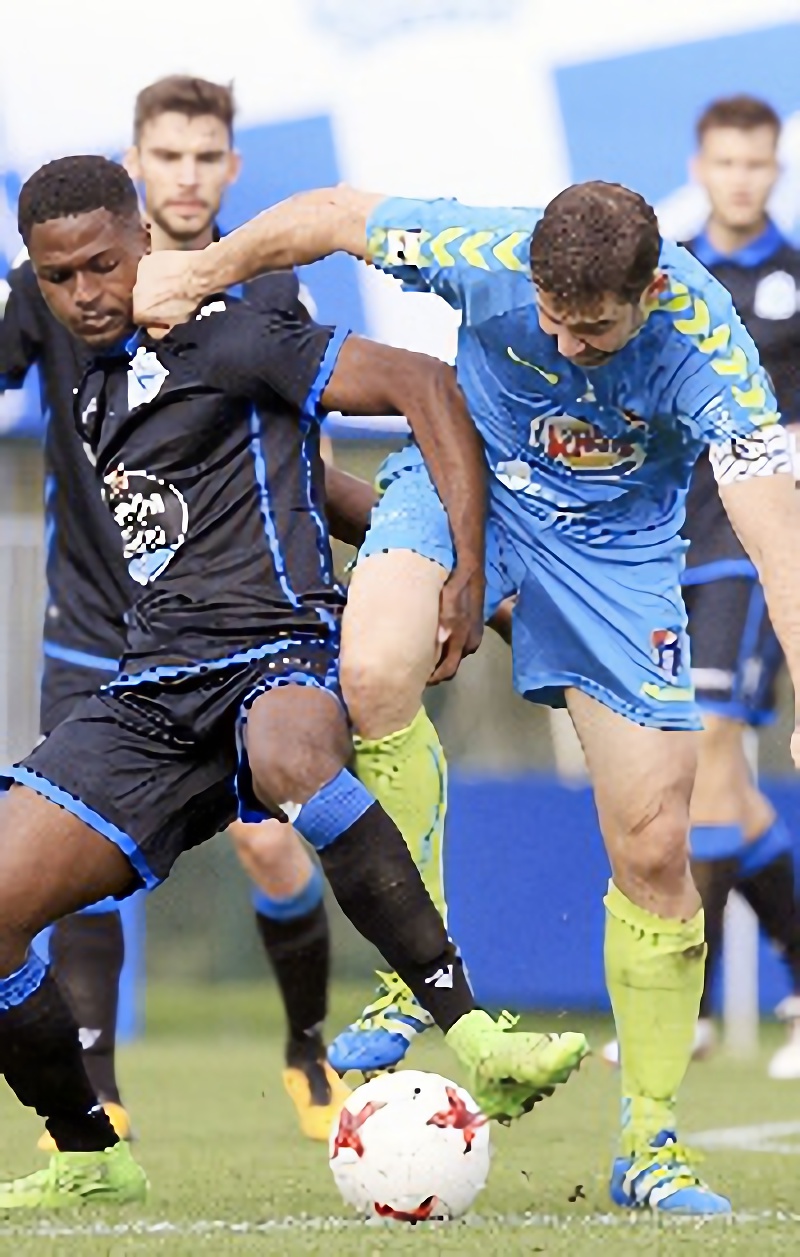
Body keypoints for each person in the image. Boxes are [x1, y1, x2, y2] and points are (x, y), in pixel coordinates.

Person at [133, 177, 800, 1215]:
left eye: (594, 331)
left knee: (655, 841)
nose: (567, 344)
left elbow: (772, 526)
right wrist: (201, 270)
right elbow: (332, 215)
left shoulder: (708, 340)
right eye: (551, 320)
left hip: (617, 557)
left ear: (652, 292)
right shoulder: (484, 250)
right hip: (465, 489)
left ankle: (649, 1144)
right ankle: (416, 972)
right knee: (370, 668)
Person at [0, 155, 589, 1210]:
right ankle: (89, 1154)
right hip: (153, 689)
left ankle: (474, 1033)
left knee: (290, 757)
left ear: (145, 242)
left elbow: (423, 384)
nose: (85, 292)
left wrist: (467, 572)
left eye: (102, 264)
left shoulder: (228, 331)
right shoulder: (91, 382)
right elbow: (307, 485)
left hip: (278, 649)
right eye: (58, 277)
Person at [0, 73, 353, 1145]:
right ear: (137, 169)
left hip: (227, 630)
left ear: (230, 168)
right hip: (93, 626)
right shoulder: (57, 281)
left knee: (271, 849)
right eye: (169, 155)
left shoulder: (263, 287)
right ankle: (99, 1091)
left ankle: (307, 1046)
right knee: (74, 868)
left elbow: (301, 452)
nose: (188, 174)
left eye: (206, 157)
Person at [602, 96, 800, 1078]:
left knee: (713, 752)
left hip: (748, 548)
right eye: (725, 162)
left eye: (756, 164)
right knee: (716, 785)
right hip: (663, 544)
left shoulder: (794, 279)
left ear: (774, 168)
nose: (740, 179)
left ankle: (688, 1004)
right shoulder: (666, 273)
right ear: (699, 165)